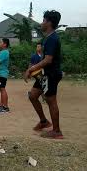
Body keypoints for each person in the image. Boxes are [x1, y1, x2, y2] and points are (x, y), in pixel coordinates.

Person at [25, 10, 63, 139]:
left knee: (51, 101)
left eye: (43, 20)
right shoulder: (48, 38)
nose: (42, 23)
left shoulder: (52, 38)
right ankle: (44, 122)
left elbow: (48, 60)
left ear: (49, 22)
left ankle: (57, 131)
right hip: (45, 74)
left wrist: (31, 70)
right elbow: (44, 59)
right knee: (33, 95)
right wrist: (31, 69)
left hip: (51, 74)